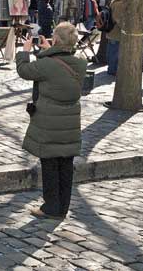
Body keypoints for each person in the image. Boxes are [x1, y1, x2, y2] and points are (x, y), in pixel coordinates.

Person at [16, 22, 87, 220]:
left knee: (49, 164)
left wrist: (25, 51)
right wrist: (50, 50)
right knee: (66, 165)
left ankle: (50, 207)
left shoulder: (48, 64)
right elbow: (58, 68)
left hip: (49, 121)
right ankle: (63, 207)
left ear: (55, 40)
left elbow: (25, 70)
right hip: (71, 121)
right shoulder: (80, 62)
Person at [104, 0, 125, 75]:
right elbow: (118, 18)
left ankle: (111, 68)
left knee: (111, 51)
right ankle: (112, 70)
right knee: (115, 52)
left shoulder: (113, 2)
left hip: (111, 31)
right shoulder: (119, 4)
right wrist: (124, 28)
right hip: (116, 32)